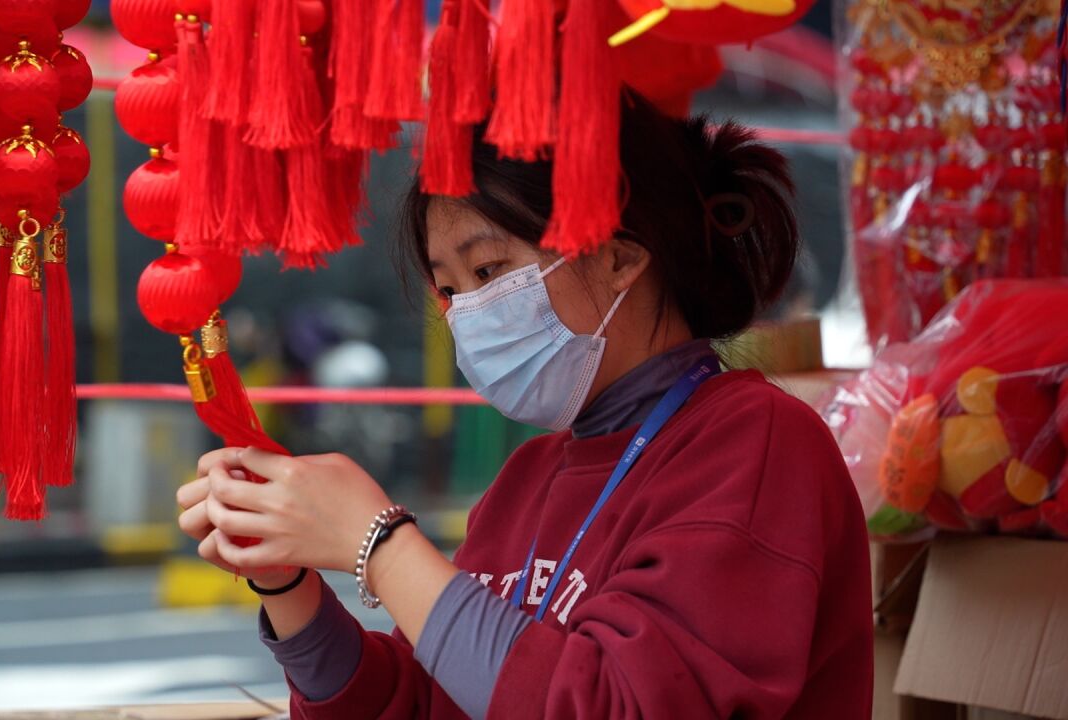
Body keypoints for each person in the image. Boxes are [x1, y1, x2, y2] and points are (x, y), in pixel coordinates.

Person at [176, 91, 873, 719]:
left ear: (620, 256)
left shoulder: (757, 443)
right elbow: (432, 702)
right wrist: (288, 581)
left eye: (489, 271)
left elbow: (608, 706)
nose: (466, 313)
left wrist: (377, 542)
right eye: (449, 289)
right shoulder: (528, 478)